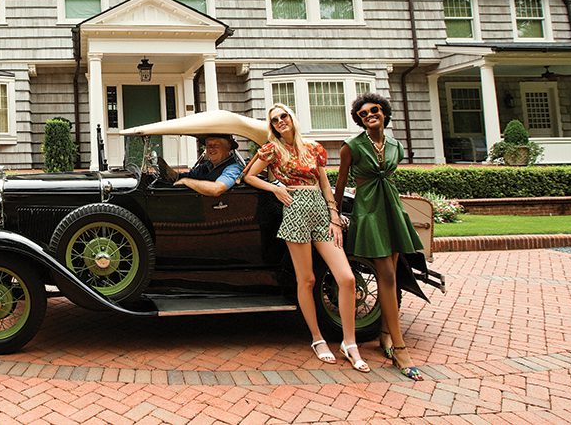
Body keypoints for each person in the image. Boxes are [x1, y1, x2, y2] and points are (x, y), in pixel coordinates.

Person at [244, 103, 369, 372]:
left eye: (283, 116)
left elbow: (324, 182)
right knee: (307, 279)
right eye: (274, 120)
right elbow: (249, 176)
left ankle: (350, 342)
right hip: (295, 210)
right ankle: (317, 338)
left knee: (346, 278)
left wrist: (334, 214)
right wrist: (275, 190)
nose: (280, 122)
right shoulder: (272, 150)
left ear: (292, 117)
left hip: (320, 210)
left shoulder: (313, 147)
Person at [333, 93, 424, 381]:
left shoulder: (396, 145)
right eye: (363, 113)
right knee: (385, 274)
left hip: (391, 209)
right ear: (358, 119)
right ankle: (399, 349)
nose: (370, 115)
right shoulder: (352, 146)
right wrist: (334, 214)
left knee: (393, 273)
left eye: (374, 110)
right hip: (369, 212)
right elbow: (341, 181)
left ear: (384, 112)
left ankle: (385, 334)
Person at [158, 134, 242, 197]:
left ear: (227, 147)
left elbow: (217, 189)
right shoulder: (207, 166)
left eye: (216, 145)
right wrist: (172, 175)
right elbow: (190, 175)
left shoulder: (233, 168)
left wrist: (186, 181)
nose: (211, 149)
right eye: (208, 145)